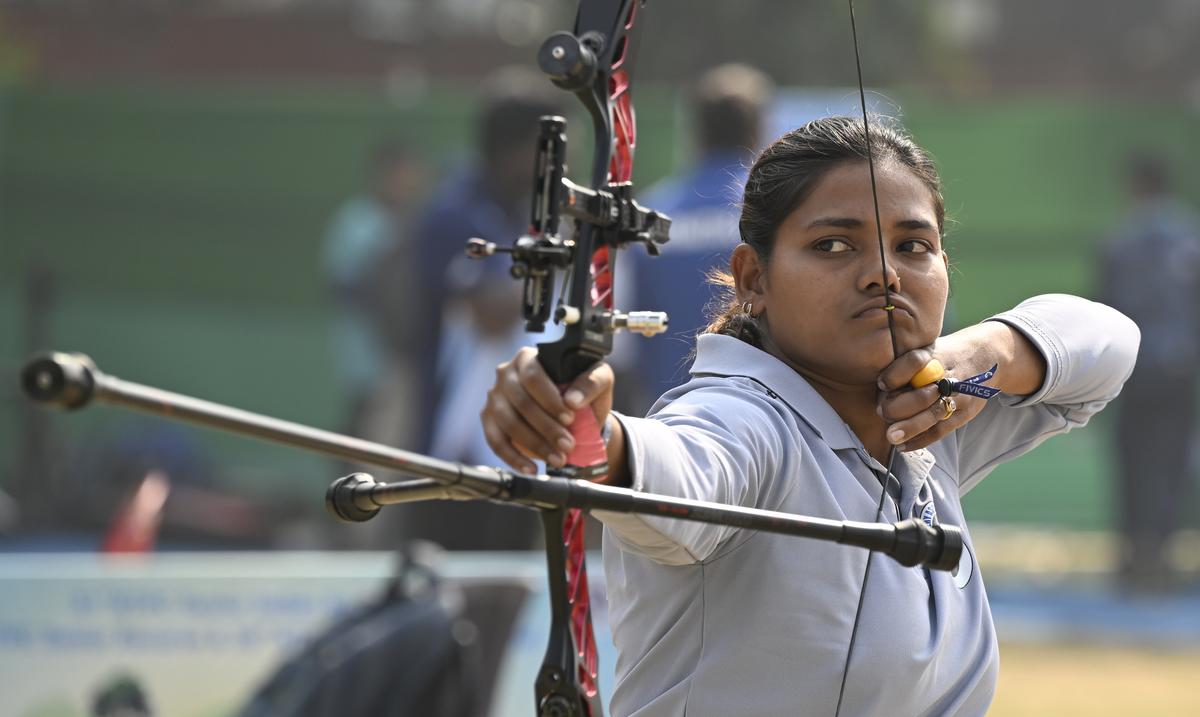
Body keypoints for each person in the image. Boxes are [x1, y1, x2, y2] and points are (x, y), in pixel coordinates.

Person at [480, 117, 1140, 715]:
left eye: (914, 246)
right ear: (753, 279)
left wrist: (981, 353)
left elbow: (1109, 343)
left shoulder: (929, 420)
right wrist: (590, 432)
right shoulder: (743, 418)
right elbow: (680, 472)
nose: (883, 273)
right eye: (832, 245)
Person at [624, 64, 773, 410]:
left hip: (665, 416)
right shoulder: (773, 212)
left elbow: (622, 339)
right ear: (758, 130)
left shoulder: (649, 213)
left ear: (695, 132)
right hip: (764, 415)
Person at [1099, 152, 1200, 593]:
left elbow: (1103, 309)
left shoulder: (1120, 241)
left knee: (1132, 459)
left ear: (1137, 186)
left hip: (1132, 367)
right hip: (1179, 369)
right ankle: (1162, 554)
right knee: (1171, 461)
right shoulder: (1190, 239)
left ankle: (1132, 555)